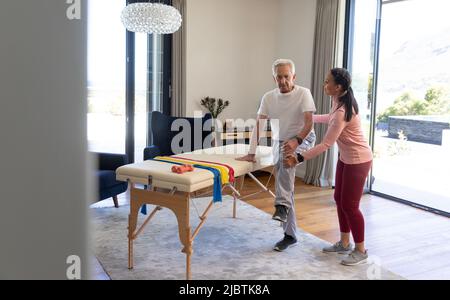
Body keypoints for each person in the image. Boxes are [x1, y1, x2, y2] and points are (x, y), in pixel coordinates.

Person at [283, 68, 373, 266]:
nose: (324, 85)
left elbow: (325, 144)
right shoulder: (338, 101)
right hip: (346, 159)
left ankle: (360, 249)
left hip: (358, 161)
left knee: (350, 206)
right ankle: (344, 242)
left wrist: (298, 158)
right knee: (338, 199)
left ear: (338, 87)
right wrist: (309, 117)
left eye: (327, 82)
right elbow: (328, 118)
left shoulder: (342, 111)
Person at [236, 59, 316, 252]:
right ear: (274, 78)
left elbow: (309, 123)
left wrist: (297, 140)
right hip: (280, 142)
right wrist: (251, 152)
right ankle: (289, 233)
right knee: (286, 183)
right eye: (279, 77)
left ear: (293, 76)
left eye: (286, 77)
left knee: (286, 163)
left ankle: (281, 207)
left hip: (304, 137)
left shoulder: (303, 93)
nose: (282, 81)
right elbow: (259, 125)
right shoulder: (268, 98)